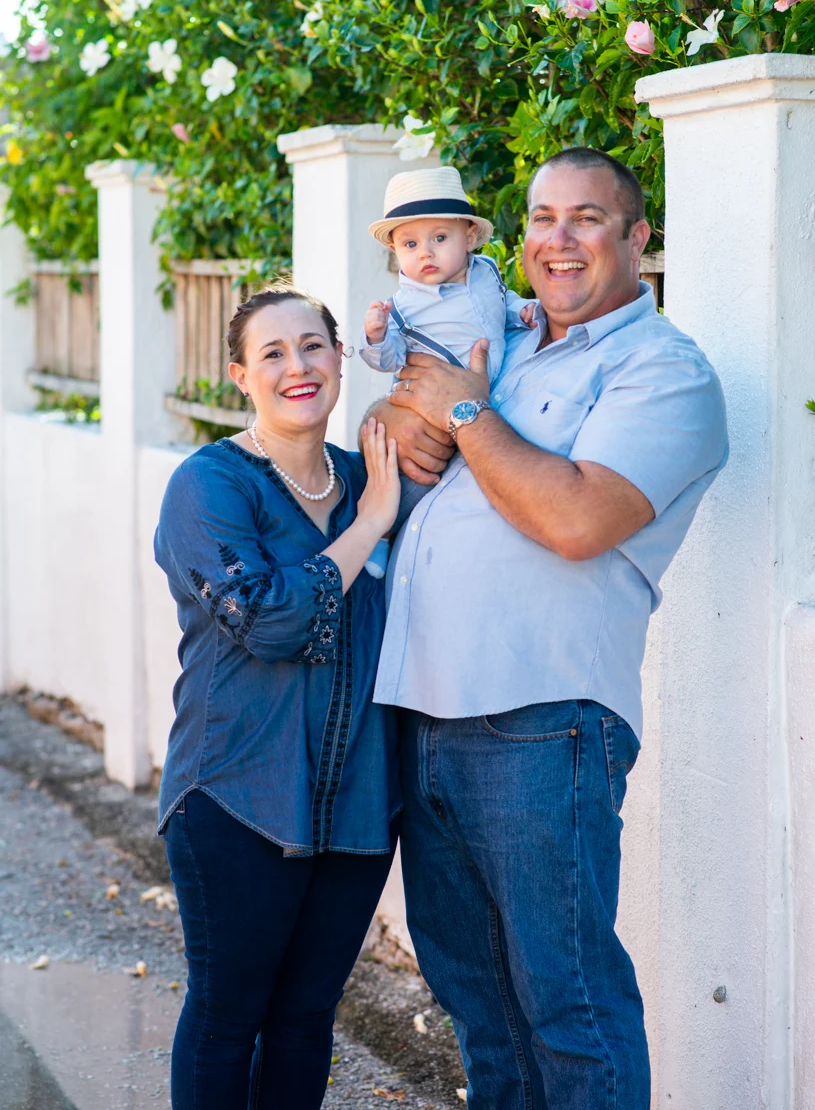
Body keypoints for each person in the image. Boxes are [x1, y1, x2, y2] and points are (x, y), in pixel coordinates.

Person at [367, 148, 729, 1109]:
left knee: (567, 1005)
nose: (557, 240)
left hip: (542, 721)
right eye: (540, 218)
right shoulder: (508, 335)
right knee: (478, 1004)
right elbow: (407, 418)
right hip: (421, 711)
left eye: (586, 218)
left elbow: (575, 518)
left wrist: (459, 408)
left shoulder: (663, 371)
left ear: (637, 237)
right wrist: (392, 414)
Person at [153, 287, 401, 1110]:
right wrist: (368, 525)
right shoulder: (210, 485)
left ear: (339, 358)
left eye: (313, 345)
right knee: (229, 1015)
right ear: (240, 376)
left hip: (357, 801)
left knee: (305, 1017)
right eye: (272, 352)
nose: (298, 366)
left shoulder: (369, 474)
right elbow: (265, 619)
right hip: (236, 793)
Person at [361, 165, 534, 380]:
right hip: (436, 395)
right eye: (411, 244)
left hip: (496, 388)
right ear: (395, 250)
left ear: (469, 238)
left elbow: (499, 300)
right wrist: (376, 338)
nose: (425, 253)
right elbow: (388, 361)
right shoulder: (399, 310)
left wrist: (519, 309)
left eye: (440, 238)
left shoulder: (486, 270)